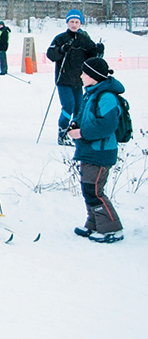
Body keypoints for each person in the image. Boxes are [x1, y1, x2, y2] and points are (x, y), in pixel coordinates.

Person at [67, 57, 125, 243]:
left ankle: (112, 228)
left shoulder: (106, 96)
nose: (82, 75)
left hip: (100, 151)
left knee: (95, 191)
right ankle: (94, 223)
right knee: (88, 189)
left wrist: (81, 133)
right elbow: (84, 115)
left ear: (93, 76)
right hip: (89, 150)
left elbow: (107, 125)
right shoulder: (91, 93)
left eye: (84, 73)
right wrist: (74, 124)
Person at [46, 9, 102, 146]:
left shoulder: (84, 40)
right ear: (67, 22)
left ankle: (75, 133)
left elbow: (93, 58)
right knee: (68, 106)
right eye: (72, 21)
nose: (74, 24)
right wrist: (61, 50)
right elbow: (50, 55)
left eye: (77, 22)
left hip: (78, 80)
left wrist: (99, 50)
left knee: (79, 108)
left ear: (81, 24)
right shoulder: (60, 38)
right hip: (63, 79)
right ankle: (63, 133)